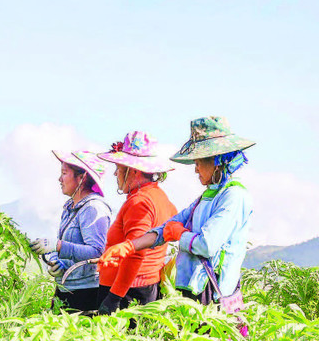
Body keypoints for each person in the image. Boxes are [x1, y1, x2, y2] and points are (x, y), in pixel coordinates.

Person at [98, 116, 254, 308]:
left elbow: (207, 245)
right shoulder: (206, 197)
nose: (195, 169)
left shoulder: (234, 197)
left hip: (214, 294)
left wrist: (180, 234)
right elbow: (166, 229)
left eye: (198, 162)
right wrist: (128, 247)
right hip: (194, 290)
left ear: (216, 161)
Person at [95, 131, 178, 315]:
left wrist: (114, 298)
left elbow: (135, 254)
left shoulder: (139, 202)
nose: (115, 173)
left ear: (133, 170)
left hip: (128, 293)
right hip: (146, 288)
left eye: (118, 168)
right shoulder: (160, 197)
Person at [30, 151, 111, 313]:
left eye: (64, 173)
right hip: (67, 287)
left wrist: (59, 245)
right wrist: (58, 263)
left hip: (86, 292)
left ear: (81, 178)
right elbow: (72, 250)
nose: (60, 179)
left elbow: (97, 252)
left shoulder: (93, 208)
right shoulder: (70, 207)